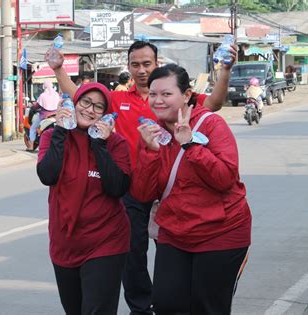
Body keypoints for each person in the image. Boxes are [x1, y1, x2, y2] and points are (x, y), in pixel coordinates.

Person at [46, 40, 237, 314]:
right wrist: (58, 69)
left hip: (171, 193)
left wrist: (226, 70)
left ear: (157, 64)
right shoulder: (119, 99)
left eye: (147, 64)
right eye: (135, 64)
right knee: (133, 257)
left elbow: (216, 102)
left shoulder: (177, 94)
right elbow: (84, 99)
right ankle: (141, 308)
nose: (141, 69)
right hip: (136, 189)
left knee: (176, 265)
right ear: (128, 67)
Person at [132, 64, 251, 314]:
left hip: (222, 233)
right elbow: (143, 194)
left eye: (166, 94)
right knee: (166, 303)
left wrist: (190, 145)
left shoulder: (211, 124)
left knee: (207, 307)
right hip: (175, 234)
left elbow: (224, 179)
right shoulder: (153, 133)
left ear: (186, 96)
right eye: (153, 94)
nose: (158, 100)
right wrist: (149, 153)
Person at [37, 82, 131, 314]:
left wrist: (99, 143)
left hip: (106, 242)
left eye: (99, 107)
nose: (90, 110)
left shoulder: (116, 144)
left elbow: (117, 187)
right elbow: (47, 175)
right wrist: (60, 130)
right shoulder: (51, 136)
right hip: (64, 243)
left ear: (106, 114)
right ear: (74, 103)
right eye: (86, 102)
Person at [27, 80, 60, 151]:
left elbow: (37, 106)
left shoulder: (43, 95)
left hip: (44, 116)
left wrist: (33, 106)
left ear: (44, 87)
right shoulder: (56, 94)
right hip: (55, 115)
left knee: (32, 128)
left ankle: (31, 146)